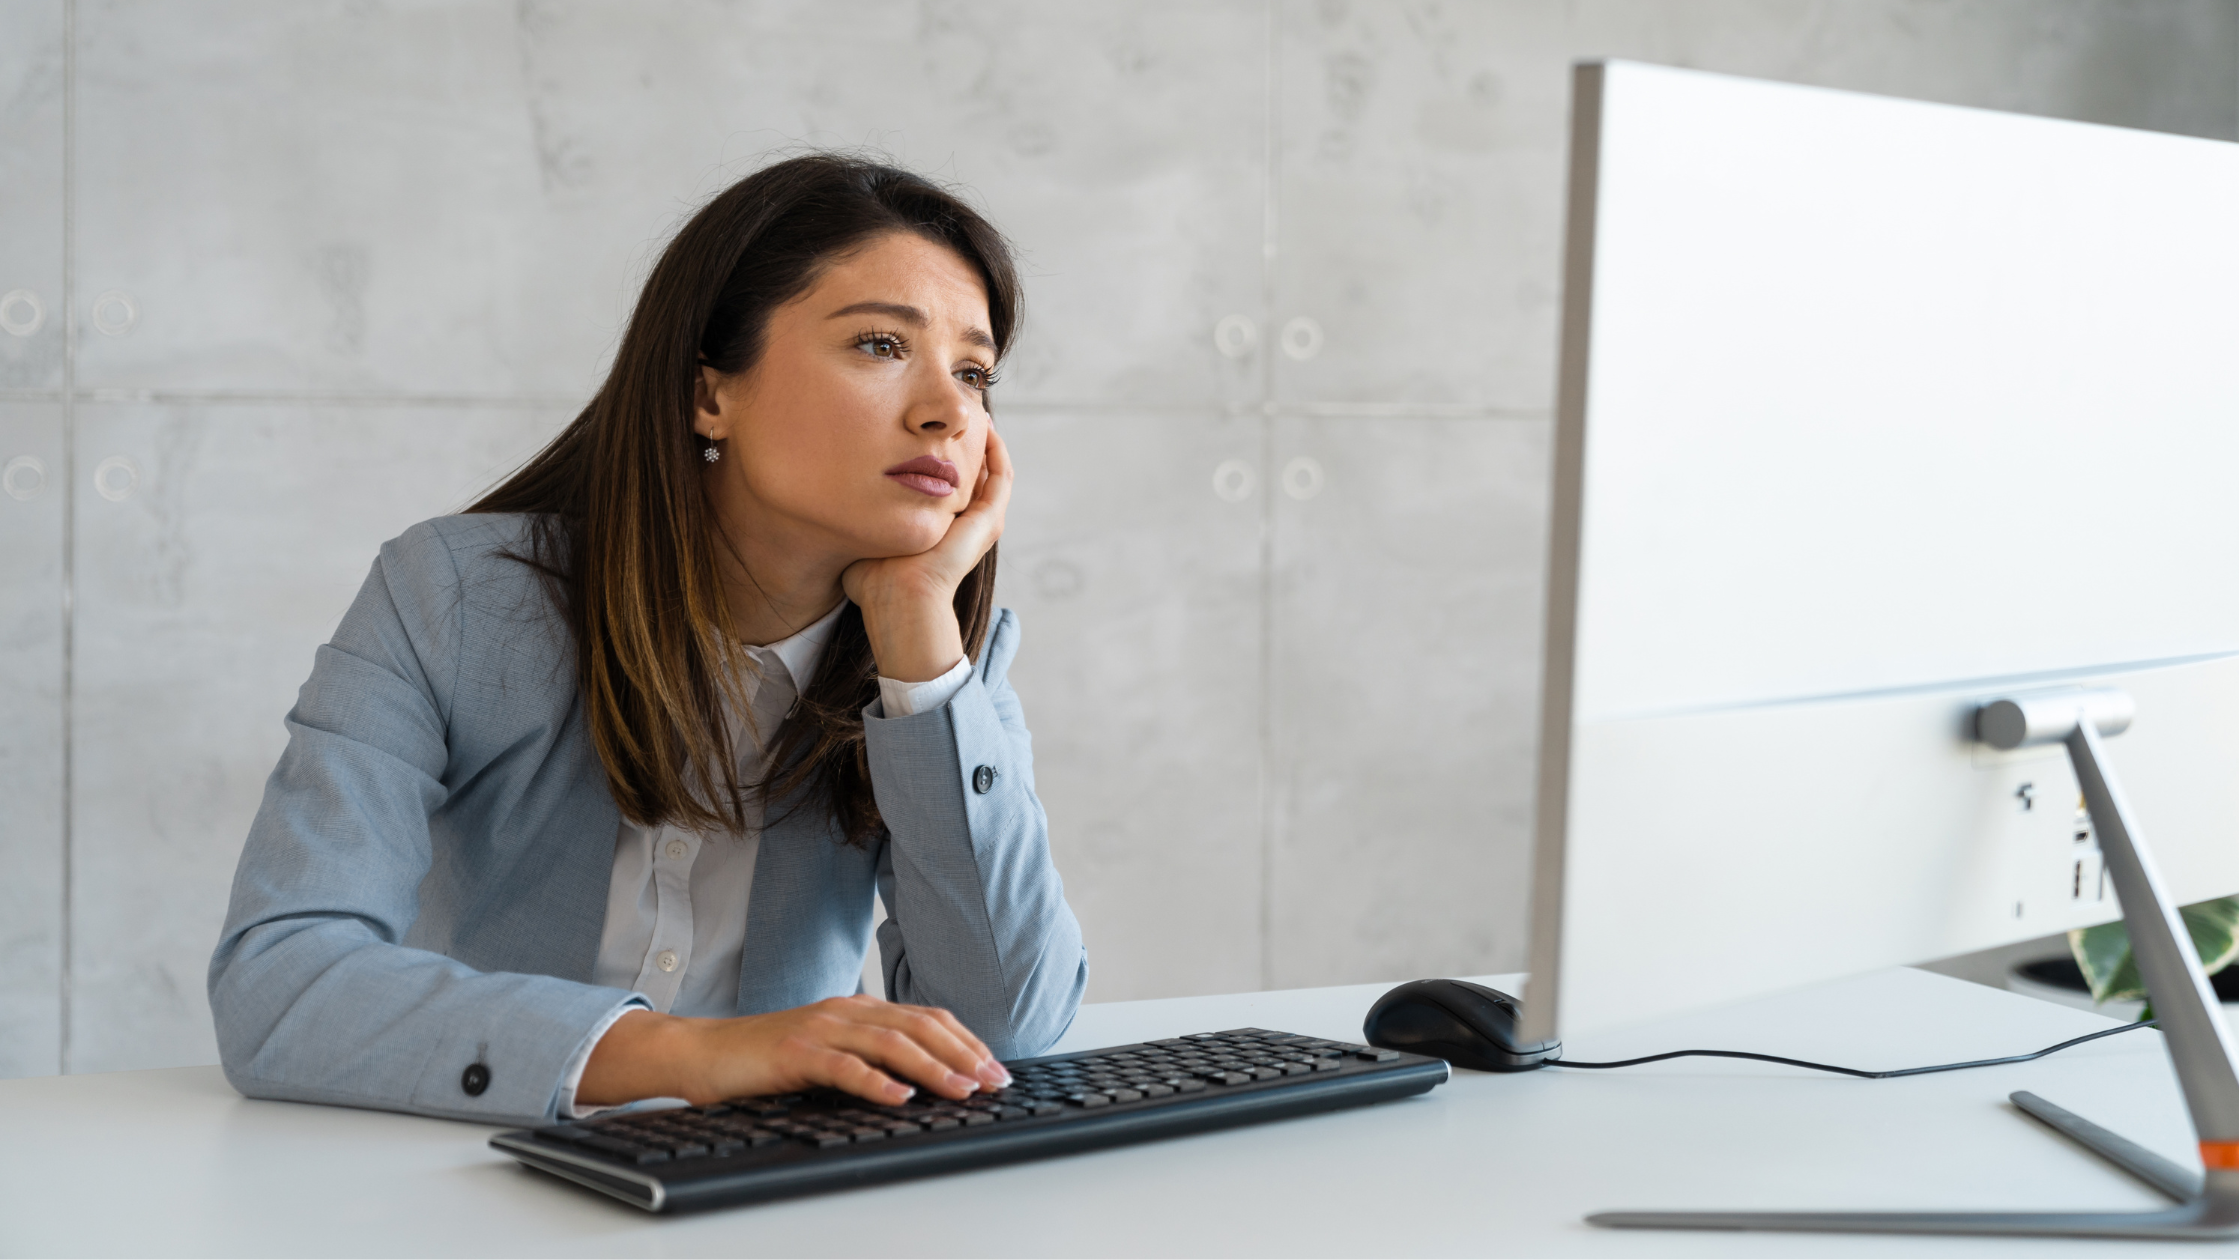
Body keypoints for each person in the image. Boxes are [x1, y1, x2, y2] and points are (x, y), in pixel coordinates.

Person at [208, 154, 1087, 1126]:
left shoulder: (938, 666)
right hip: (463, 1165)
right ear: (710, 394)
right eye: (881, 345)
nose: (949, 411)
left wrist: (918, 630)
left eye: (974, 372)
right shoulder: (454, 597)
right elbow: (279, 985)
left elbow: (1006, 1031)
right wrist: (690, 1054)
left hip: (774, 1193)